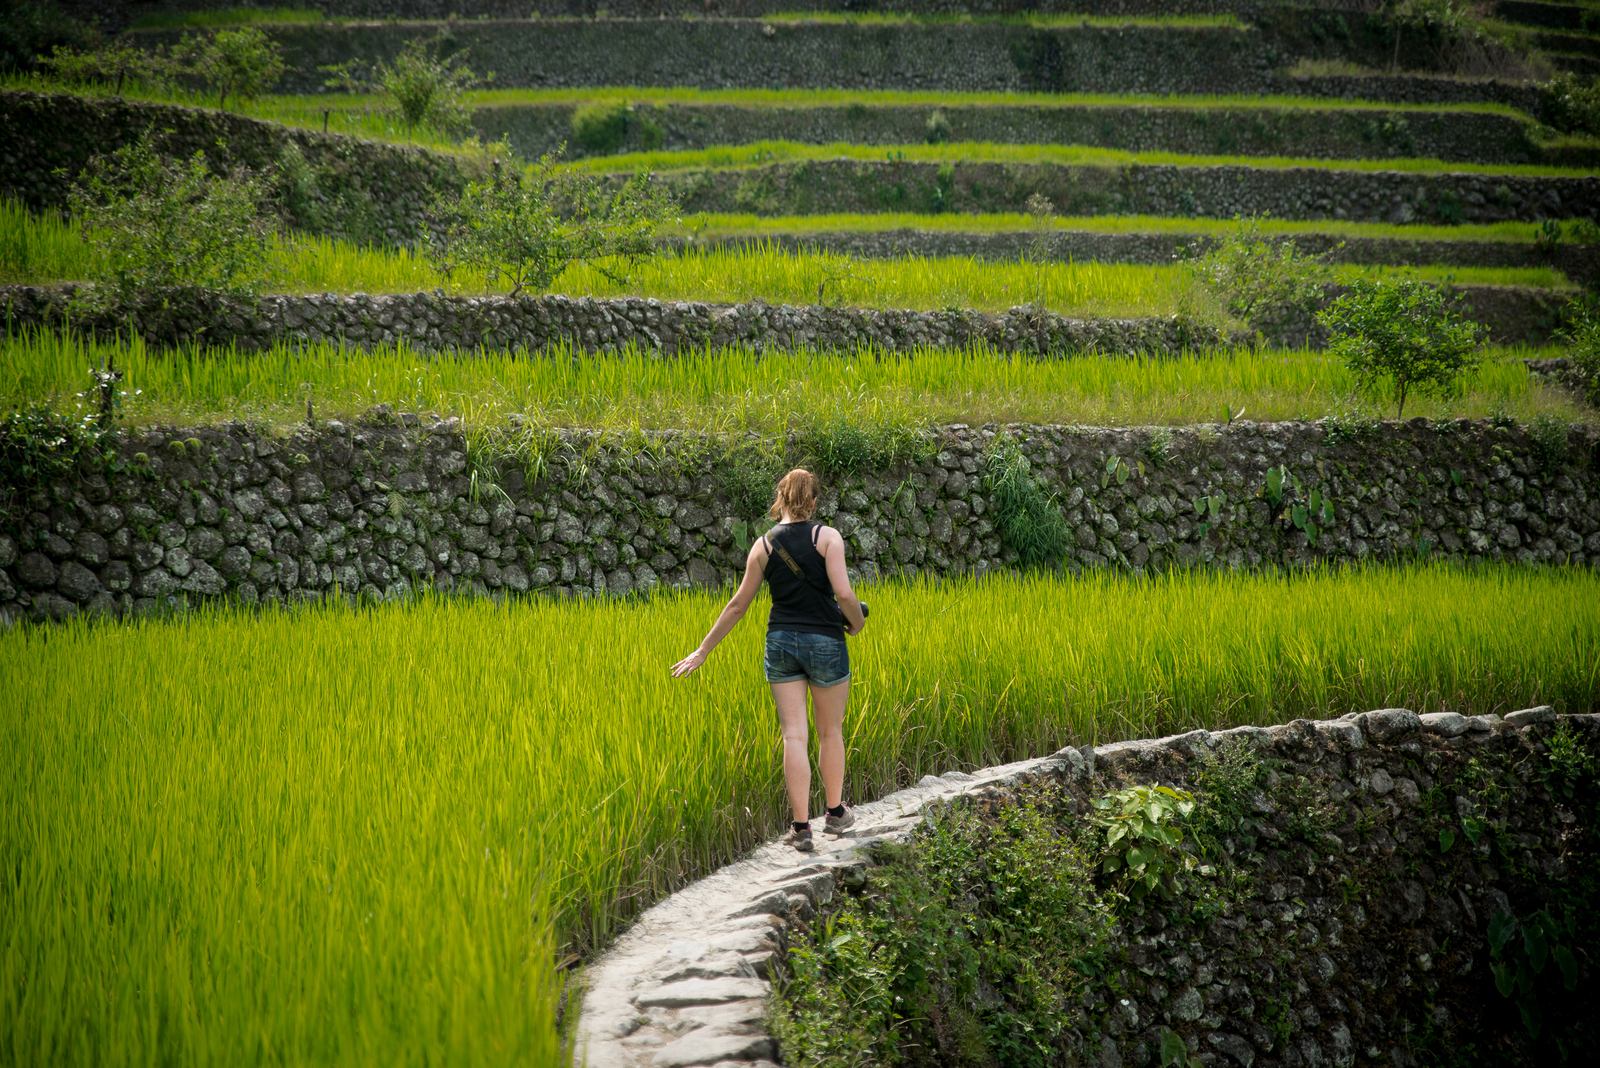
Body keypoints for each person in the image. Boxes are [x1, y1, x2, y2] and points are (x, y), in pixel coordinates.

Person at [671, 468, 867, 852]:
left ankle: (800, 827)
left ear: (780, 499)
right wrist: (857, 624)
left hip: (780, 643)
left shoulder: (762, 546)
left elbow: (738, 605)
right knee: (830, 732)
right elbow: (844, 594)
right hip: (826, 641)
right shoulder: (827, 537)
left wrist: (703, 649)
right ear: (812, 500)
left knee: (794, 735)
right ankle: (835, 813)